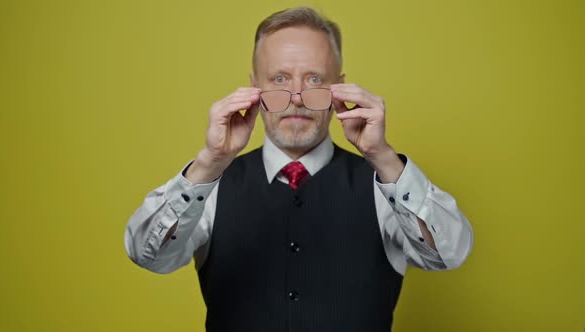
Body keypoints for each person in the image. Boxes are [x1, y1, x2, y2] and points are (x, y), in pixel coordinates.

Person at [124, 6, 473, 332]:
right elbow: (148, 256)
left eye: (314, 79)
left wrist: (383, 157)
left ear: (340, 89)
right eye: (278, 78)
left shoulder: (385, 185)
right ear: (253, 89)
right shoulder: (209, 186)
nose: (295, 97)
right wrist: (208, 163)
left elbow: (448, 254)